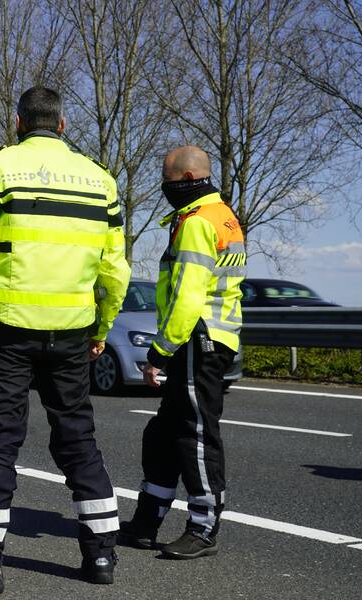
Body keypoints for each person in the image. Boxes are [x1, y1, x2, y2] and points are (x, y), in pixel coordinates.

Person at [0, 86, 131, 593]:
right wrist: (101, 330)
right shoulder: (100, 180)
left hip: (9, 330)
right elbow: (115, 271)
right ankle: (101, 557)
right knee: (79, 439)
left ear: (17, 122)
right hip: (72, 331)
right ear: (63, 125)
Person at [120, 146, 245, 559]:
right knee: (162, 434)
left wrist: (160, 352)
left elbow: (188, 299)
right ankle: (147, 521)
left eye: (168, 179)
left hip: (199, 339)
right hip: (208, 339)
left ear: (189, 179)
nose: (165, 187)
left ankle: (203, 527)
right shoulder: (222, 215)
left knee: (194, 435)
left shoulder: (197, 223)